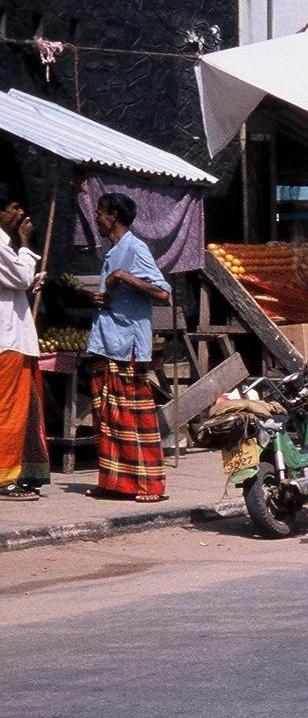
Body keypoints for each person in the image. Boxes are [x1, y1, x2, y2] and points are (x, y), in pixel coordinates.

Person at [85, 192, 170, 502]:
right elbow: (115, 296)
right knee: (107, 417)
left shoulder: (135, 248)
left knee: (135, 417)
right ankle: (114, 483)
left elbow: (162, 293)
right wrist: (101, 298)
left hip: (127, 346)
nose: (96, 217)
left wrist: (124, 276)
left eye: (99, 213)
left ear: (113, 217)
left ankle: (150, 486)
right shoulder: (112, 252)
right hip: (106, 341)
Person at [0, 190, 49, 500]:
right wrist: (26, 244)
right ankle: (5, 478)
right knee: (9, 410)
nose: (20, 213)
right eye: (13, 208)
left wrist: (30, 278)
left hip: (11, 336)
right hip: (8, 339)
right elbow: (18, 278)